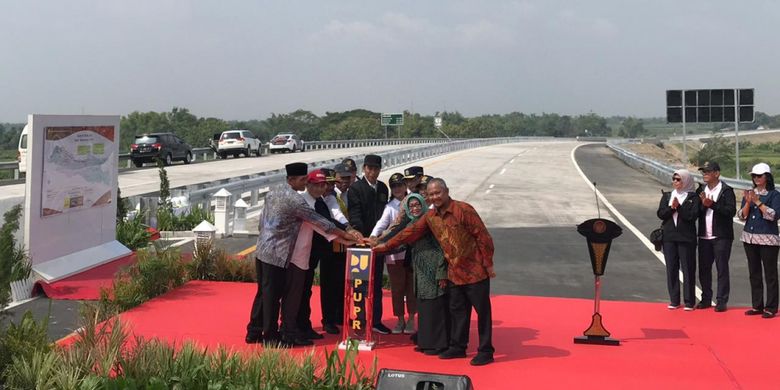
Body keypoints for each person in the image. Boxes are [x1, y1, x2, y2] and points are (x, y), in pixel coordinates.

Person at [372, 178, 496, 366]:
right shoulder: (430, 217)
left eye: (438, 193)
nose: (435, 197)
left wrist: (487, 264)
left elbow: (483, 237)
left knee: (483, 313)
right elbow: (410, 232)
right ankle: (458, 347)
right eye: (431, 194)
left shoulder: (463, 210)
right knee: (458, 312)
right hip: (454, 273)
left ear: (446, 191)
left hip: (475, 271)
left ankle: (486, 350)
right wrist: (384, 246)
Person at [254, 162, 359, 347]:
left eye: (323, 184)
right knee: (275, 297)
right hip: (281, 254)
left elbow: (262, 220)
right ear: (291, 180)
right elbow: (323, 224)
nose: (319, 187)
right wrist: (349, 237)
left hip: (265, 249)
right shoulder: (298, 201)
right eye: (305, 180)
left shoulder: (273, 192)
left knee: (266, 295)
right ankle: (271, 337)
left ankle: (255, 331)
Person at [382, 193, 449, 355]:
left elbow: (442, 248)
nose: (415, 208)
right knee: (424, 307)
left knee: (435, 306)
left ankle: (438, 344)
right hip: (419, 270)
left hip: (433, 269)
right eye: (411, 206)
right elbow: (397, 237)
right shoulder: (411, 222)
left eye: (417, 205)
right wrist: (377, 243)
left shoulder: (431, 221)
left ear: (423, 205)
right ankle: (426, 341)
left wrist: (441, 272)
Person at [347, 154, 392, 335]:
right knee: (360, 284)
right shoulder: (355, 189)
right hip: (362, 244)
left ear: (380, 170)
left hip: (378, 243)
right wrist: (365, 238)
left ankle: (376, 320)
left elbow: (384, 216)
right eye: (369, 168)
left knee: (377, 283)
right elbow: (355, 215)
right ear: (364, 168)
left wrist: (379, 238)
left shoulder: (382, 188)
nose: (372, 172)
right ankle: (360, 320)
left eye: (376, 169)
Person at [371, 172, 417, 334]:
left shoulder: (414, 202)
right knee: (397, 288)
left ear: (405, 186)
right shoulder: (390, 207)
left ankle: (411, 319)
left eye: (400, 185)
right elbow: (381, 225)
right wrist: (372, 238)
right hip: (394, 255)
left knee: (411, 287)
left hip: (412, 253)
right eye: (394, 186)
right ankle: (400, 320)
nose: (397, 189)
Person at [739, 163, 780, 319]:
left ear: (766, 177)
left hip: (768, 239)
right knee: (754, 273)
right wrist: (748, 202)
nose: (756, 178)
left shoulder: (774, 195)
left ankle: (771, 307)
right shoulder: (750, 193)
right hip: (749, 238)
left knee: (770, 274)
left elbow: (774, 215)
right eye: (754, 176)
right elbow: (742, 216)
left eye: (759, 176)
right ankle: (757, 305)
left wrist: (758, 202)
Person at [695, 161, 736, 312]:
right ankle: (706, 299)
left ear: (716, 173)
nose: (704, 174)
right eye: (703, 172)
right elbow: (696, 211)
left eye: (707, 171)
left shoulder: (726, 191)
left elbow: (730, 211)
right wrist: (700, 204)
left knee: (722, 269)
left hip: (721, 236)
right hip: (704, 236)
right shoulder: (700, 189)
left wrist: (711, 204)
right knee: (704, 269)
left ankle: (721, 300)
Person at [657, 169, 700, 311]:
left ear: (686, 181)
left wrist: (679, 208)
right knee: (671, 268)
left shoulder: (693, 197)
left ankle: (689, 301)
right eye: (674, 179)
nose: (675, 181)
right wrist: (671, 208)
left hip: (686, 238)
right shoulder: (668, 195)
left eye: (678, 179)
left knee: (688, 269)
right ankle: (674, 300)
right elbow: (661, 214)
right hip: (669, 238)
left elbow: (692, 216)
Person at [320, 167, 350, 334]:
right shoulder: (315, 200)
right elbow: (328, 221)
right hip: (322, 247)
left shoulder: (332, 198)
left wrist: (349, 228)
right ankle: (328, 319)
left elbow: (338, 216)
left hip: (339, 245)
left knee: (339, 282)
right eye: (327, 184)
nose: (330, 187)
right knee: (328, 285)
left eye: (332, 184)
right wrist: (348, 231)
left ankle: (338, 315)